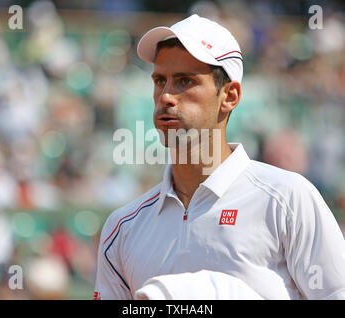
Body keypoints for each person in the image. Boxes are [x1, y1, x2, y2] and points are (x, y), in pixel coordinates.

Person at [94, 14, 345, 300]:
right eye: (159, 81)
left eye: (185, 81)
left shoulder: (288, 200)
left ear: (230, 96)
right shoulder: (123, 227)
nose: (165, 96)